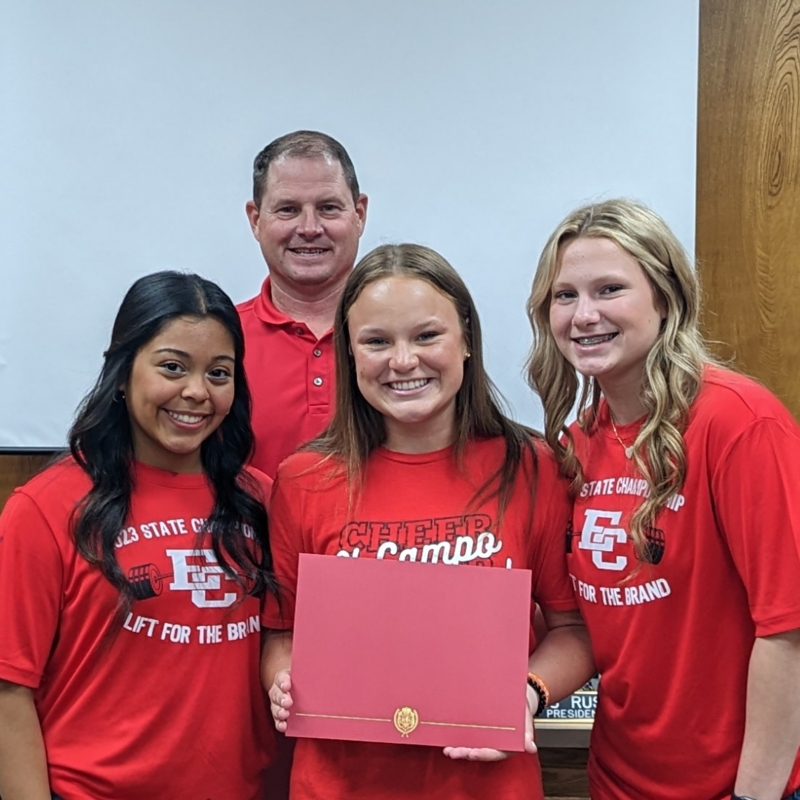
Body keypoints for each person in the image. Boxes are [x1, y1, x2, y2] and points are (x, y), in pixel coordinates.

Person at [261, 243, 595, 800]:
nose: (403, 361)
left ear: (466, 339)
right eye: (376, 341)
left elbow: (573, 630)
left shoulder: (532, 467)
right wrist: (282, 681)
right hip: (338, 785)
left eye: (426, 336)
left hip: (487, 786)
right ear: (349, 354)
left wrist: (527, 692)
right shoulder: (303, 479)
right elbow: (281, 632)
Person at [526, 198, 800, 800]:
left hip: (737, 786)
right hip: (617, 780)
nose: (584, 314)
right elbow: (583, 621)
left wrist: (753, 797)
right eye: (564, 295)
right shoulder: (577, 445)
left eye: (609, 289)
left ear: (666, 296)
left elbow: (789, 631)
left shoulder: (740, 423)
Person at [0, 271, 278, 800]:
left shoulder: (261, 500)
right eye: (173, 367)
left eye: (219, 373)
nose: (196, 391)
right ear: (123, 374)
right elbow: (8, 688)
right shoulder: (45, 508)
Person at [239, 130, 368, 479]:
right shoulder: (219, 343)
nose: (309, 228)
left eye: (328, 208)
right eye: (288, 210)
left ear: (359, 214)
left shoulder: (407, 341)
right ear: (256, 220)